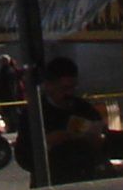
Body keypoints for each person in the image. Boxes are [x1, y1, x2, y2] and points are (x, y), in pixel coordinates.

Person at [15, 55, 116, 183]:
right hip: (51, 183)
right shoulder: (34, 114)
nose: (69, 93)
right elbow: (23, 157)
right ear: (49, 86)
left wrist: (98, 140)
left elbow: (106, 140)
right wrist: (47, 143)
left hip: (86, 180)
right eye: (64, 88)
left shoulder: (84, 108)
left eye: (73, 87)